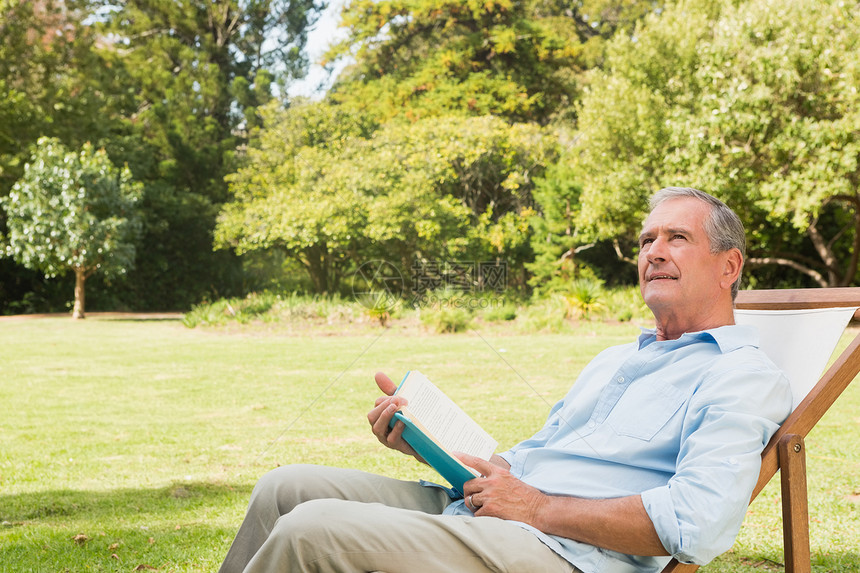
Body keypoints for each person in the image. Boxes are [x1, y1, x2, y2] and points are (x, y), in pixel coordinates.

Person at [219, 187, 792, 573]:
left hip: (564, 553)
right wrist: (432, 447)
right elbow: (530, 461)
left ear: (729, 267)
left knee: (314, 528)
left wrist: (538, 508)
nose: (654, 252)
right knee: (285, 488)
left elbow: (699, 524)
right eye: (647, 241)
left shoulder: (740, 375)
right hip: (496, 511)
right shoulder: (618, 358)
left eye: (677, 238)